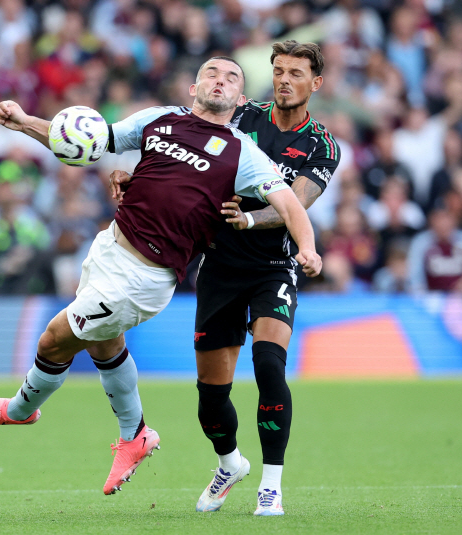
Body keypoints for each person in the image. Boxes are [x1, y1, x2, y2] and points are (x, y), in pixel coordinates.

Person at [0, 56, 322, 500]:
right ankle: (135, 436)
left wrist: (306, 247)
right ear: (193, 87)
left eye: (231, 78)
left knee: (53, 339)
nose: (220, 81)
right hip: (109, 247)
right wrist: (24, 123)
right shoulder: (160, 119)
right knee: (102, 342)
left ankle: (18, 410)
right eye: (211, 73)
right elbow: (91, 141)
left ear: (240, 99)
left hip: (145, 277)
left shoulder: (241, 152)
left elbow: (290, 204)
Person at [112, 40, 340, 516]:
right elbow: (182, 155)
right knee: (211, 395)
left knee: (268, 364)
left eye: (296, 74)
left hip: (273, 267)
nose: (284, 80)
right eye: (278, 71)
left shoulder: (321, 144)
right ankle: (229, 463)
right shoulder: (240, 115)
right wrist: (135, 179)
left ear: (315, 83)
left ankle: (271, 486)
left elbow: (295, 203)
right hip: (218, 263)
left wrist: (278, 233)